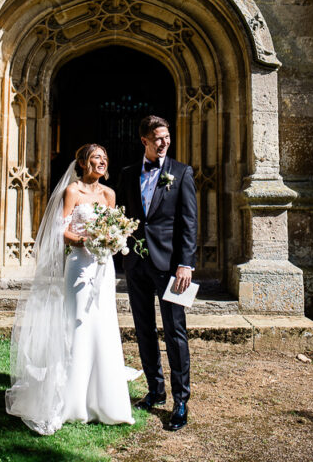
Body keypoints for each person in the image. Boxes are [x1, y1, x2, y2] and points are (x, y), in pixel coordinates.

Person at [6, 143, 138, 435]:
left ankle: (106, 402)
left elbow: (113, 226)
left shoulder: (109, 194)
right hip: (79, 266)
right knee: (77, 324)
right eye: (96, 158)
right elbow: (59, 230)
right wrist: (83, 242)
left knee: (103, 326)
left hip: (103, 268)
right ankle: (71, 402)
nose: (101, 162)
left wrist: (113, 240)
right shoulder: (72, 192)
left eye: (104, 158)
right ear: (83, 162)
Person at [117, 115, 197, 431]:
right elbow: (122, 217)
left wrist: (186, 264)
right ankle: (156, 390)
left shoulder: (181, 172)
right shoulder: (126, 174)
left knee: (176, 332)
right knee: (144, 329)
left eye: (167, 137)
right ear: (144, 141)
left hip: (172, 268)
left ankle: (180, 401)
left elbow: (188, 223)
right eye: (158, 138)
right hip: (136, 265)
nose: (164, 143)